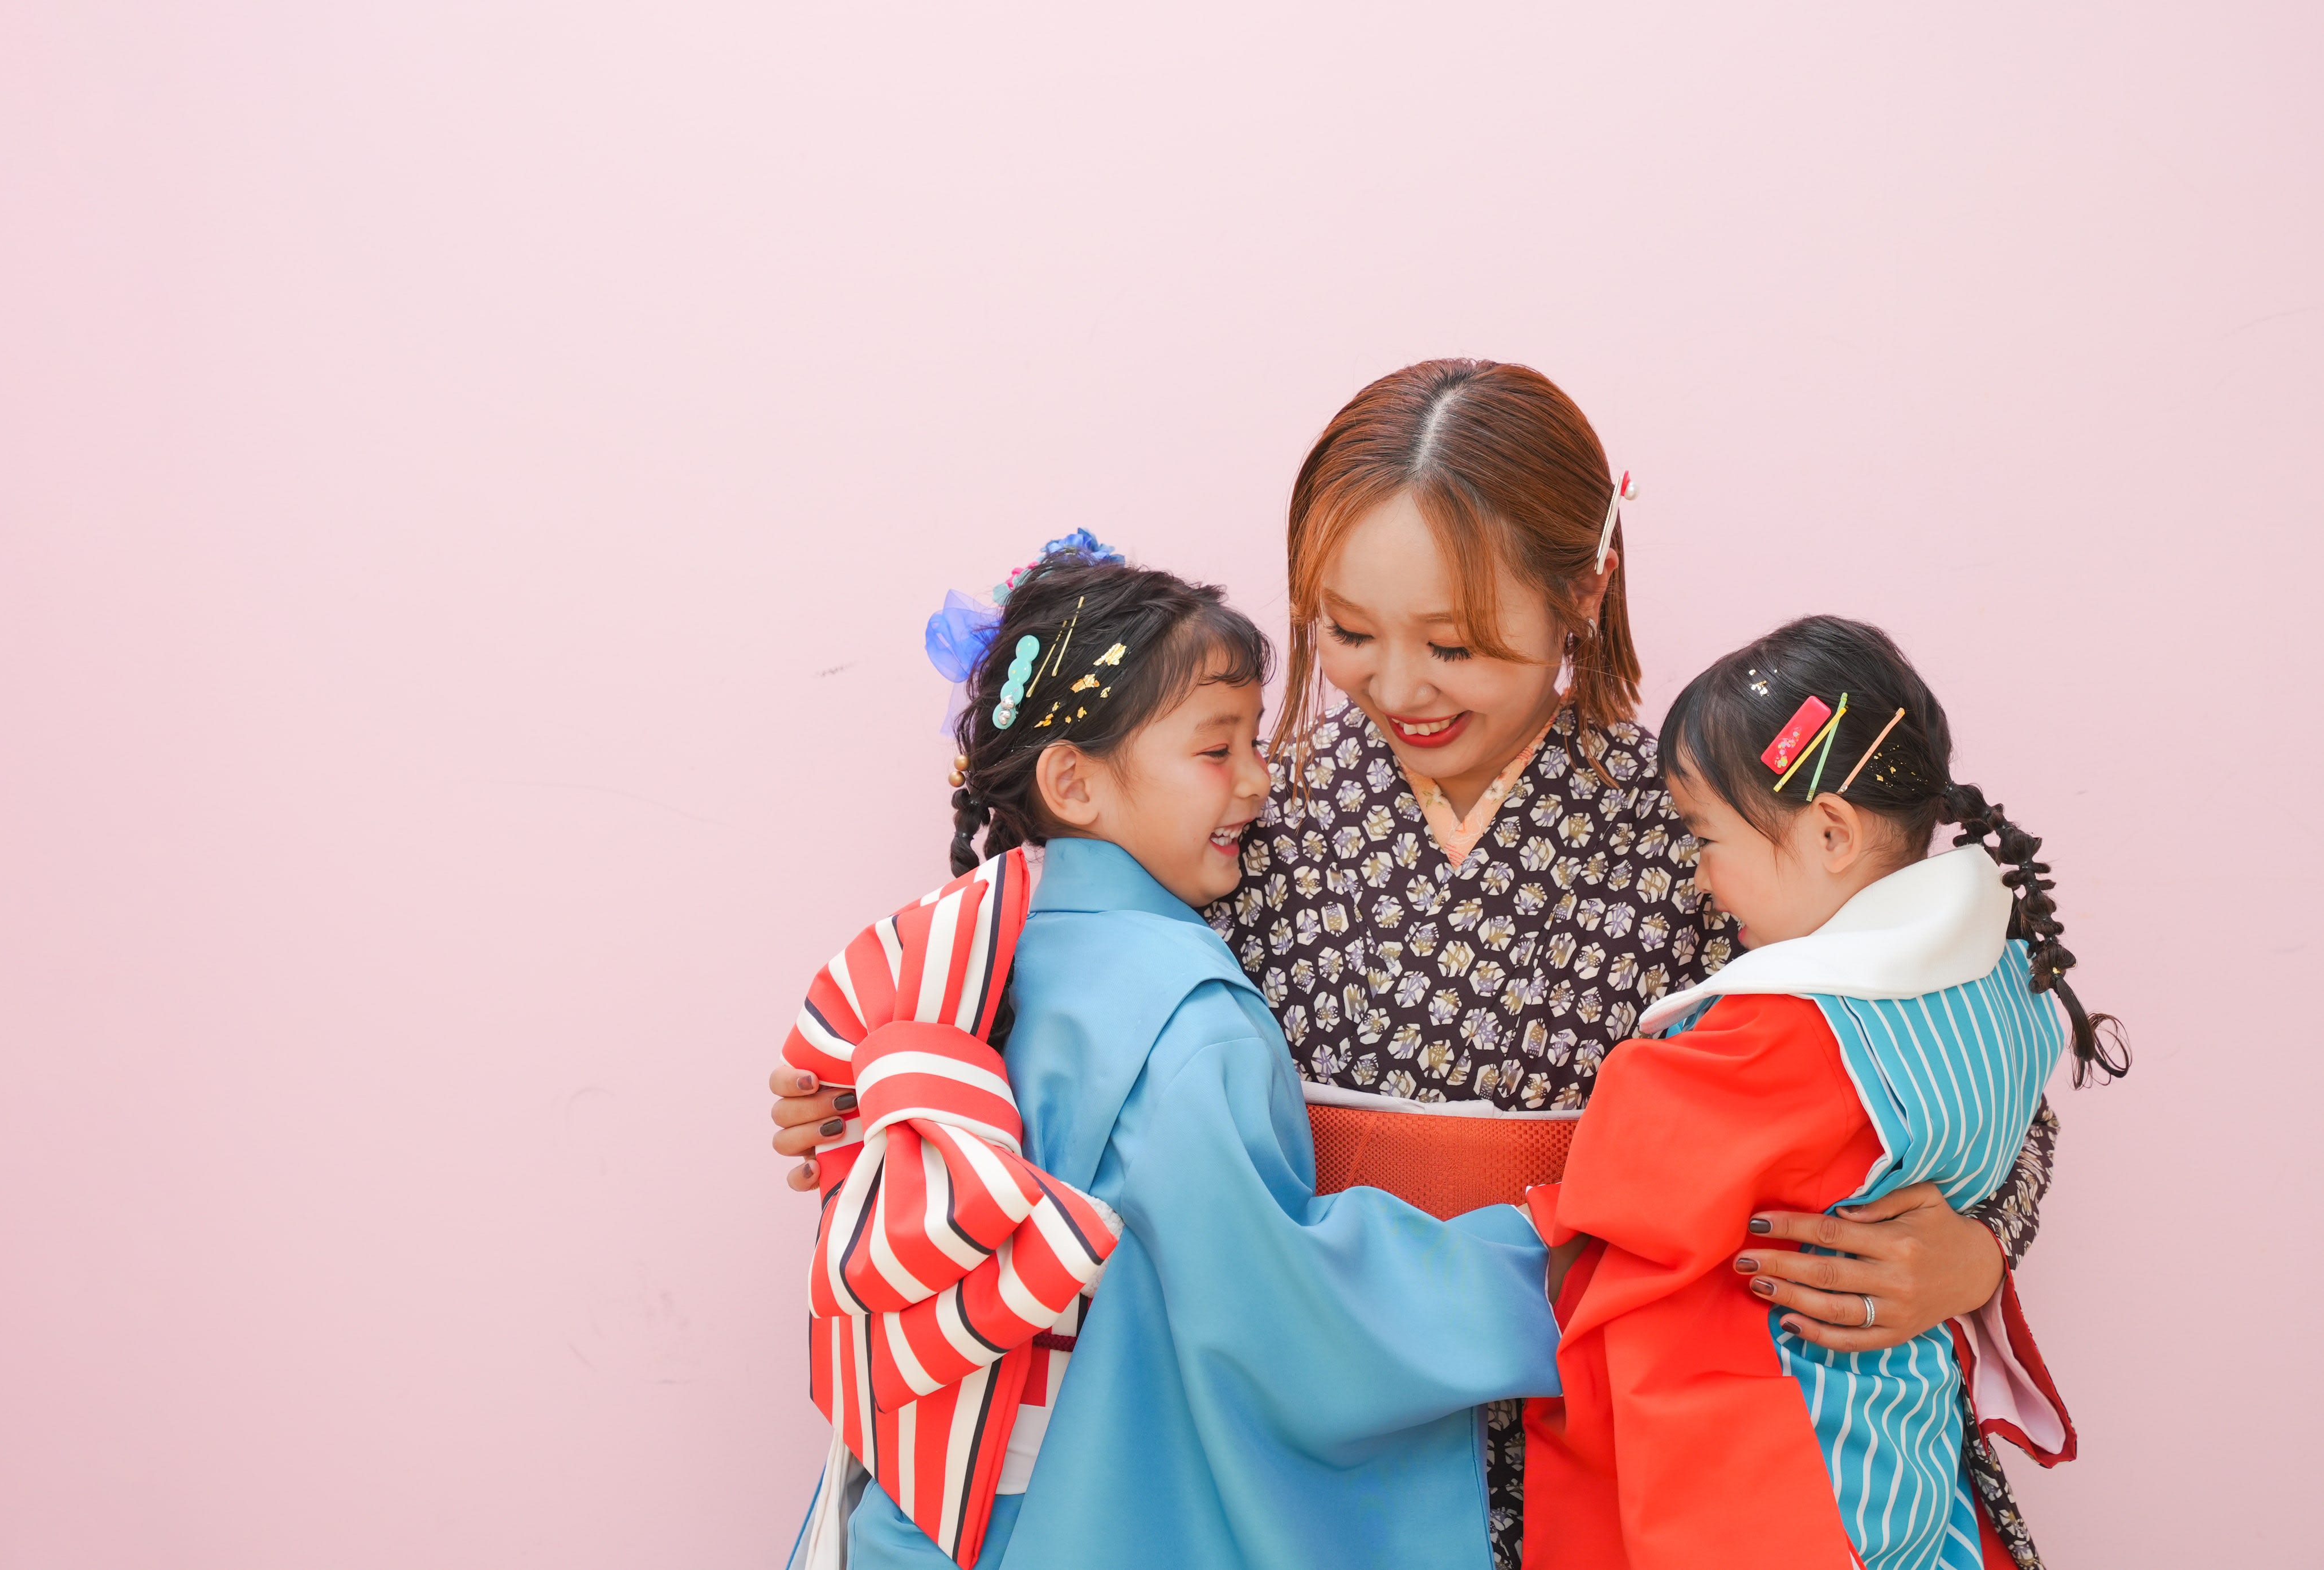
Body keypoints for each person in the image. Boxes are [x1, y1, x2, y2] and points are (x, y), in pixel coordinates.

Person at [774, 361, 2064, 1567]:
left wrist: (1974, 1248)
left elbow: (1922, 1051)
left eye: (1453, 645)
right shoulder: (1236, 805)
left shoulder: (1711, 820)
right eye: (1346, 631)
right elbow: (1075, 1044)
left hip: (1633, 1401)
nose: (1398, 688)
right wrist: (893, 1088)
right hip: (1290, 1416)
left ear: (1583, 592)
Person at [792, 545, 1564, 1570]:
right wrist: (1536, 1266)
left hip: (937, 1491)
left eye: (1255, 741)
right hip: (1071, 1501)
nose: (1258, 781)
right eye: (1216, 750)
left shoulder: (956, 962)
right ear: (1073, 781)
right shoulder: (1188, 1020)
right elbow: (1278, 1302)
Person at [1524, 615, 2125, 1570]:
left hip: (1786, 1450)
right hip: (1903, 1425)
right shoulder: (2008, 986)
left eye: (1706, 838)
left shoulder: (1798, 1030)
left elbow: (1636, 1168)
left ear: (1832, 833)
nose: (1699, 877)